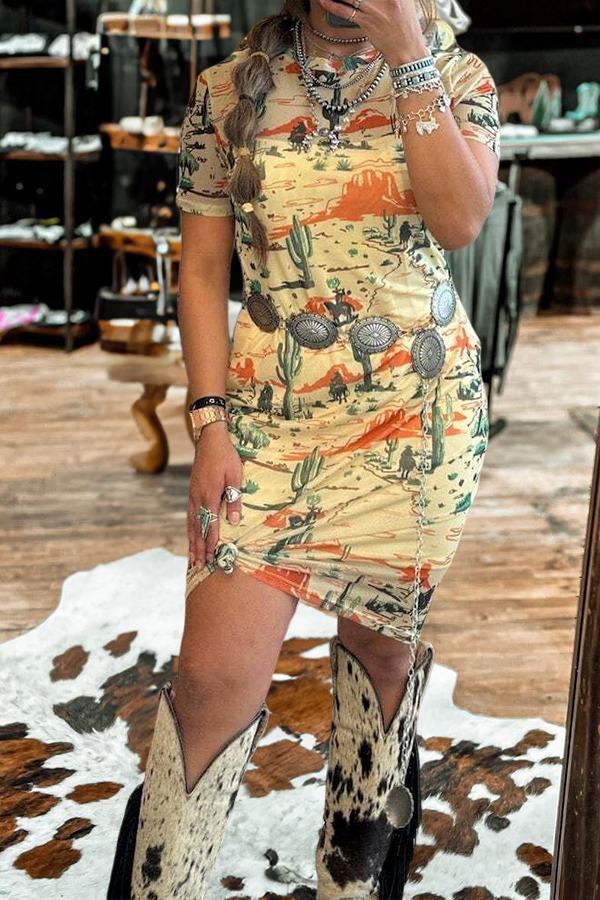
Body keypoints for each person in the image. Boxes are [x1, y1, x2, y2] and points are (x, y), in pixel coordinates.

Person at [107, 0, 500, 897]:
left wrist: (407, 53)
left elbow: (459, 222)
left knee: (384, 664)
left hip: (416, 425)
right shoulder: (225, 89)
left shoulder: (457, 77)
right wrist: (208, 422)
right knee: (211, 683)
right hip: (265, 423)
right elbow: (203, 269)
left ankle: (354, 887)